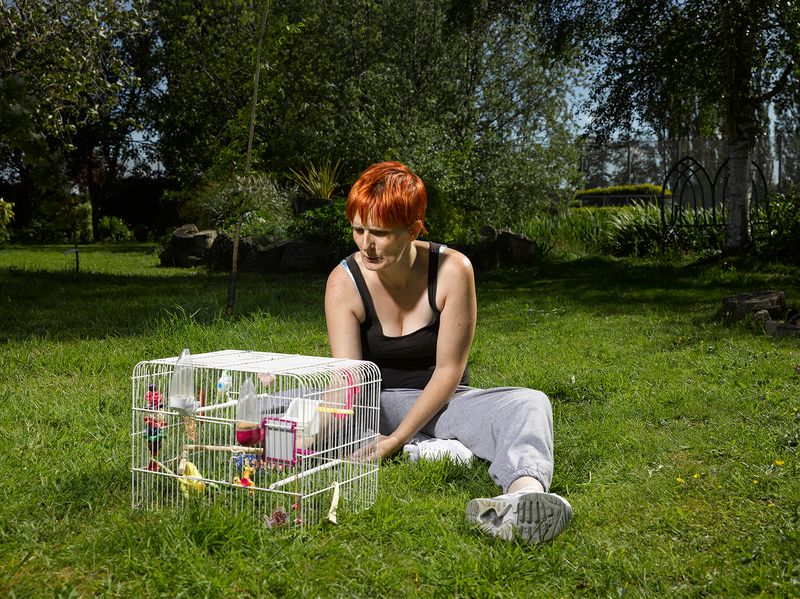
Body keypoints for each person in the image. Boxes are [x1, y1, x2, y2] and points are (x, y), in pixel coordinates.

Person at [324, 161, 572, 544]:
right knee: (285, 402)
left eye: (380, 233)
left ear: (413, 229)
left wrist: (395, 440)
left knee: (530, 404)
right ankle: (431, 448)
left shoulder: (453, 270)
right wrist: (314, 423)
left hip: (442, 402)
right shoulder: (345, 281)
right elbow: (348, 377)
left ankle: (522, 498)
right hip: (371, 404)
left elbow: (448, 371)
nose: (366, 245)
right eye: (358, 230)